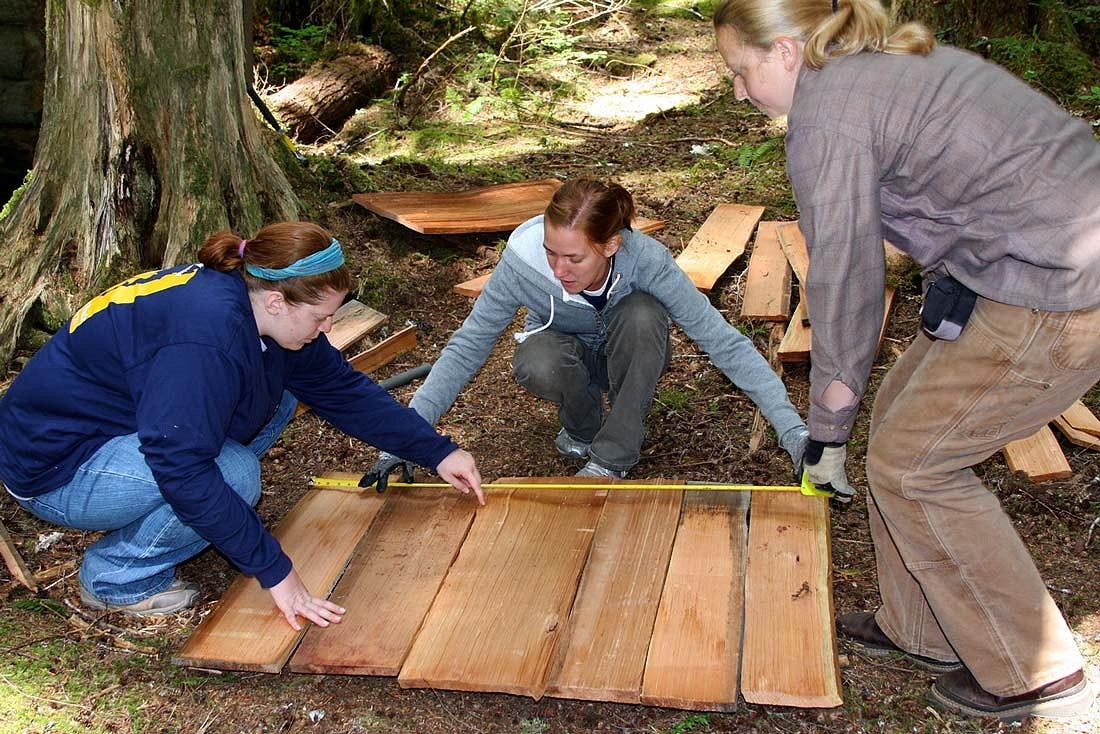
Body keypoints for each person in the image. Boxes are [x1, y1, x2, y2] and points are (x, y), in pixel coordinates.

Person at [712, 0, 1100, 721]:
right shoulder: (866, 70)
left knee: (914, 464)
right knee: (893, 417)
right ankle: (920, 627)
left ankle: (1034, 669)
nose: (738, 91)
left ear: (788, 52)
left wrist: (826, 429)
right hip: (1035, 262)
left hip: (1062, 289)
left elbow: (846, 282)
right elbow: (966, 183)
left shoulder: (828, 117)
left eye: (741, 71)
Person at [0, 222, 484, 628]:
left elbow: (340, 390)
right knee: (231, 477)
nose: (328, 329)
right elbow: (181, 467)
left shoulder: (253, 302)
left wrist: (438, 451)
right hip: (58, 467)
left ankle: (207, 512)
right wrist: (276, 572)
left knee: (283, 387)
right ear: (277, 301)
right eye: (322, 317)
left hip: (127, 427)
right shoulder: (205, 340)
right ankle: (117, 576)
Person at [370, 178, 808, 485]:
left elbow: (722, 341)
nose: (558, 269)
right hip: (564, 357)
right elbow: (466, 348)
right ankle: (582, 430)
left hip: (630, 352)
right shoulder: (522, 262)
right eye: (551, 252)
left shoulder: (646, 260)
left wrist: (793, 432)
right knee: (538, 359)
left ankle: (611, 457)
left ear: (611, 245)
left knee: (642, 314)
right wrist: (404, 441)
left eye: (574, 259)